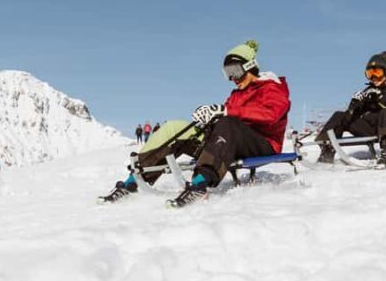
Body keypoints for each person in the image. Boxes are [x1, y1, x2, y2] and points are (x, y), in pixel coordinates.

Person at [98, 40, 290, 207]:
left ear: (250, 66)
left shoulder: (272, 87)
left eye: (235, 71)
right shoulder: (236, 94)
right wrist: (208, 119)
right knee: (175, 128)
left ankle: (200, 184)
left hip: (263, 144)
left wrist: (224, 112)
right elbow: (225, 120)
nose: (232, 78)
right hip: (231, 142)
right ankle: (136, 180)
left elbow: (272, 114)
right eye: (227, 73)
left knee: (228, 121)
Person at [314, 51, 386, 167]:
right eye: (370, 73)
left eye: (377, 72)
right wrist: (353, 106)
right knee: (339, 115)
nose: (373, 77)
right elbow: (348, 119)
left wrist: (379, 100)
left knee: (385, 112)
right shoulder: (368, 91)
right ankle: (327, 151)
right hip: (369, 128)